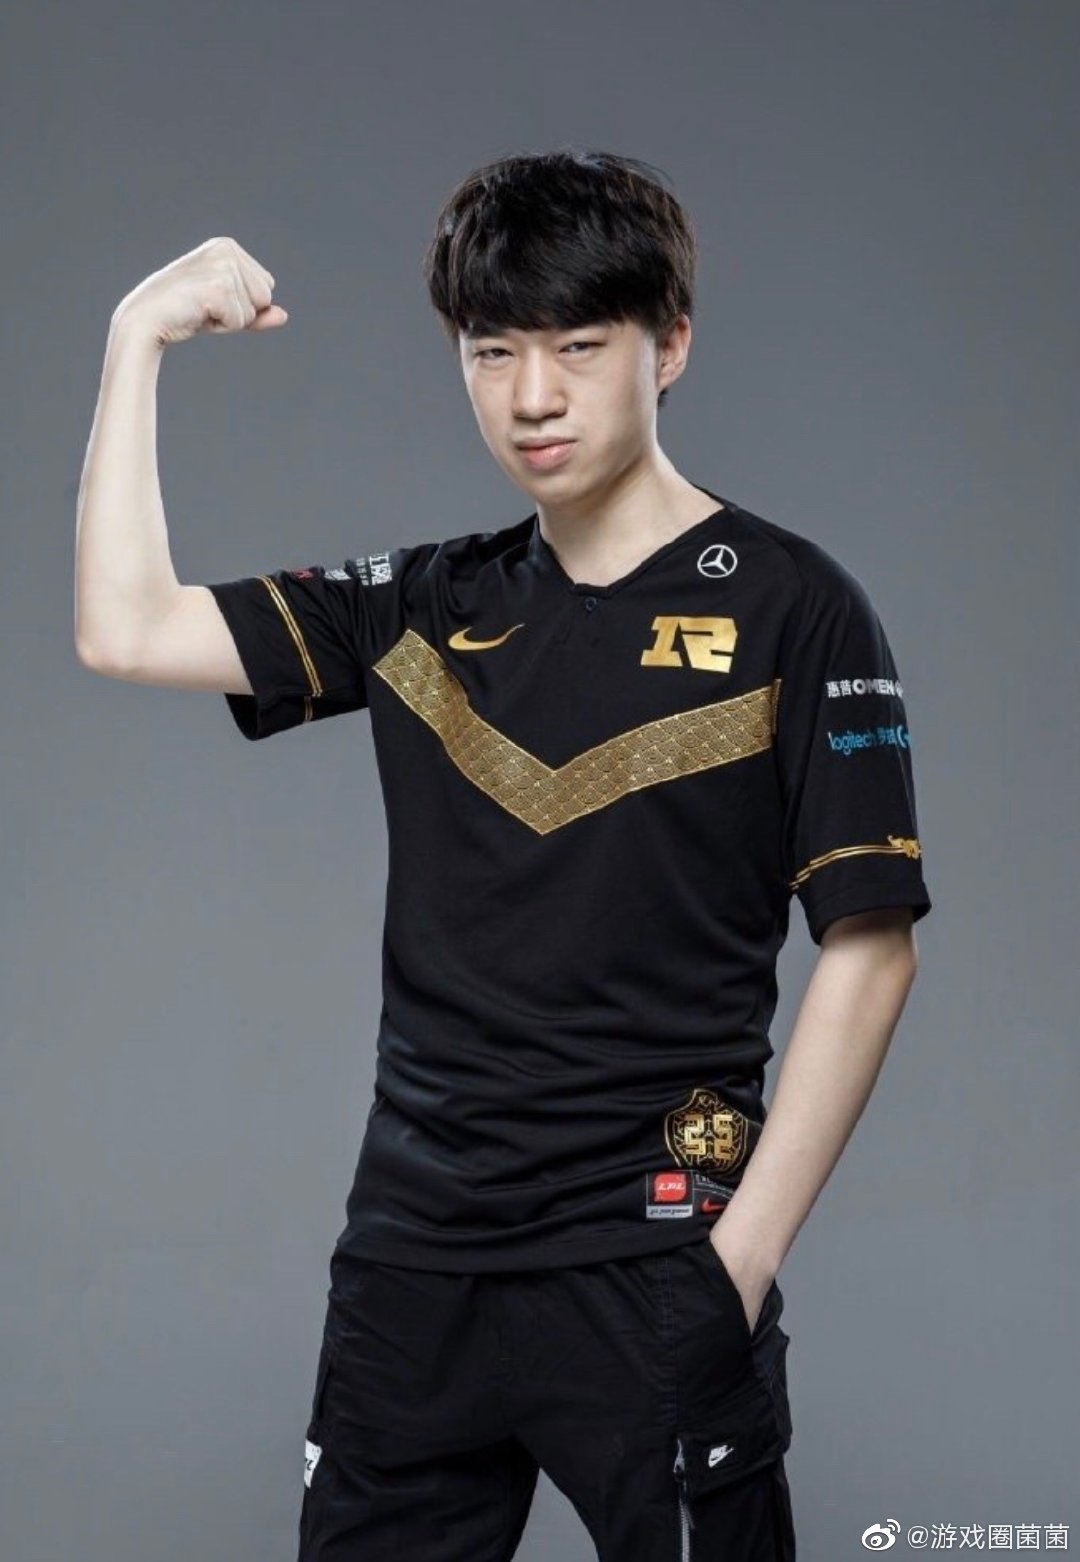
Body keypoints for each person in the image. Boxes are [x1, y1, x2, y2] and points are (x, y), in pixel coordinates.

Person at [75, 147, 932, 1561]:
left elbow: (871, 944)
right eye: (493, 351)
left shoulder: (797, 606)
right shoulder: (422, 604)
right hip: (412, 1273)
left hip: (655, 1261)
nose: (533, 395)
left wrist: (741, 1261)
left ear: (670, 346)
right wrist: (136, 337)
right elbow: (125, 628)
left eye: (578, 348)